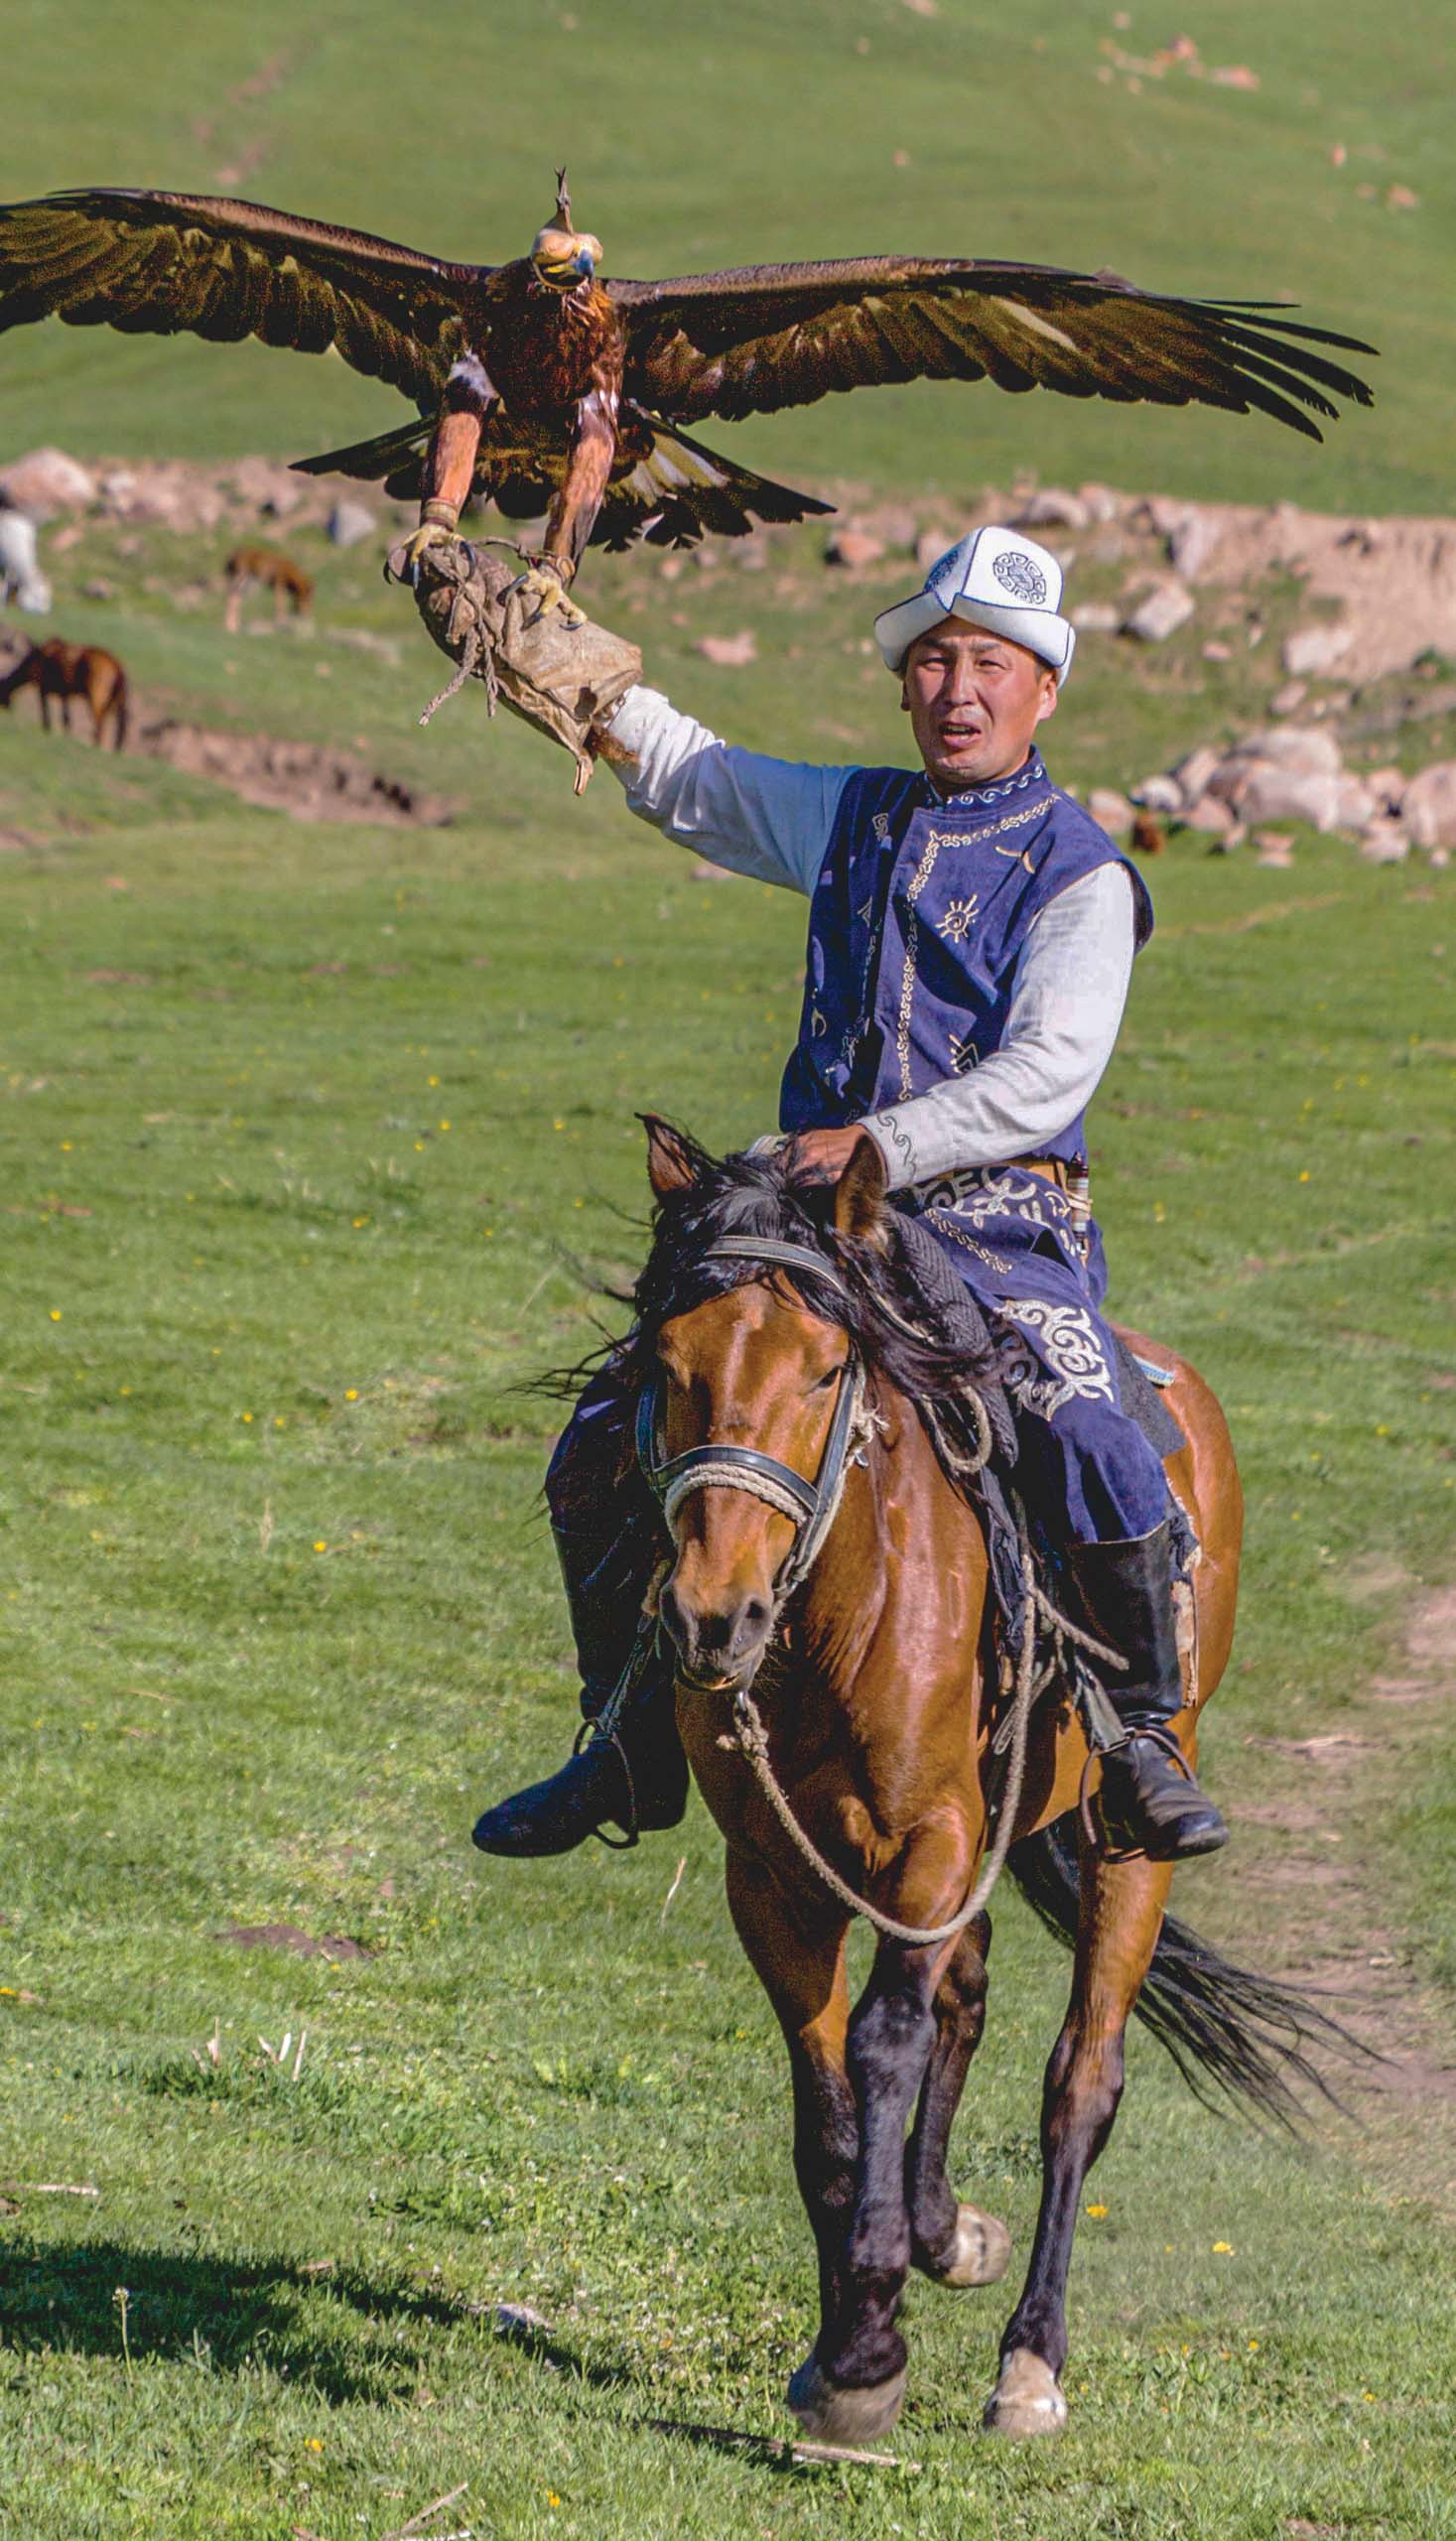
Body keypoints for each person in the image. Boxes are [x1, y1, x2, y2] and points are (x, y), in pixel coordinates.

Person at [472, 524, 1229, 1867]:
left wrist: (873, 1142)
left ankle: (1139, 1735)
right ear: (904, 682)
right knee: (609, 1421)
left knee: (1098, 1432)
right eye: (934, 660)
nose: (959, 689)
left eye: (990, 662)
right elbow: (701, 782)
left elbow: (1046, 1074)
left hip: (1002, 1230)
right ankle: (629, 1736)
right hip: (810, 1223)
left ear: (1044, 686)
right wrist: (570, 673)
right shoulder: (853, 817)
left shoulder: (1082, 875)